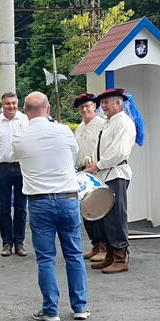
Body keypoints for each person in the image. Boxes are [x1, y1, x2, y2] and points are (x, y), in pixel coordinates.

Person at [12, 92, 88, 321]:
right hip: (68, 198)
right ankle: (80, 307)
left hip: (39, 201)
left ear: (25, 112)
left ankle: (51, 309)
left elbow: (14, 157)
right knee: (74, 253)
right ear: (47, 110)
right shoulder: (63, 130)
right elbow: (74, 152)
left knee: (46, 257)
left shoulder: (20, 138)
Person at [85, 89, 136, 274]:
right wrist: (92, 163)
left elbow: (119, 151)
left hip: (116, 174)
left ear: (118, 103)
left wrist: (97, 165)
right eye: (103, 103)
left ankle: (121, 258)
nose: (103, 106)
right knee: (105, 217)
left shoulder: (123, 122)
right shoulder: (108, 123)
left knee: (116, 217)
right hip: (105, 175)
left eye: (107, 102)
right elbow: (100, 148)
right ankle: (110, 255)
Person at [0, 92, 28, 257]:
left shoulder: (25, 120)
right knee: (3, 208)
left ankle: (19, 243)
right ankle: (7, 243)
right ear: (2, 105)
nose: (11, 106)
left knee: (21, 208)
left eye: (14, 103)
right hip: (1, 168)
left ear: (18, 103)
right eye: (8, 103)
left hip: (22, 168)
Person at [72, 92, 108, 261]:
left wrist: (96, 164)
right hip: (82, 171)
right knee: (87, 211)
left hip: (96, 171)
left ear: (95, 106)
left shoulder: (102, 125)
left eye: (88, 106)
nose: (85, 109)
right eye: (82, 107)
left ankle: (104, 246)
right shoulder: (80, 127)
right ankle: (95, 244)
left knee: (99, 211)